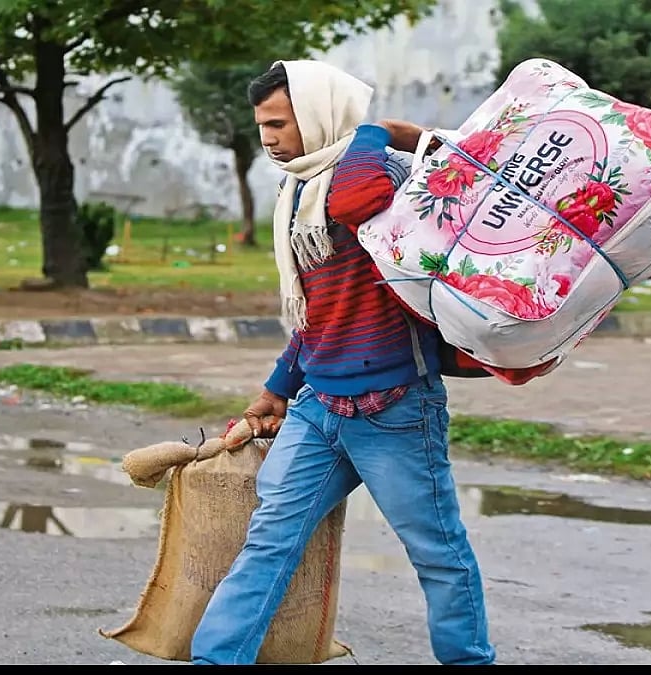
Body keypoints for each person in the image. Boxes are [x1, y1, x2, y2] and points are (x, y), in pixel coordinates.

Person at [188, 59, 497, 666]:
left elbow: (360, 202)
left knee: (436, 550)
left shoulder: (377, 170)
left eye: (279, 124)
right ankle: (215, 660)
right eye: (262, 127)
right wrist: (278, 389)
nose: (268, 139)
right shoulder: (298, 191)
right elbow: (319, 314)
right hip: (319, 409)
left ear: (320, 115)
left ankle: (469, 660)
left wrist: (374, 130)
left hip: (396, 408)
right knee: (268, 542)